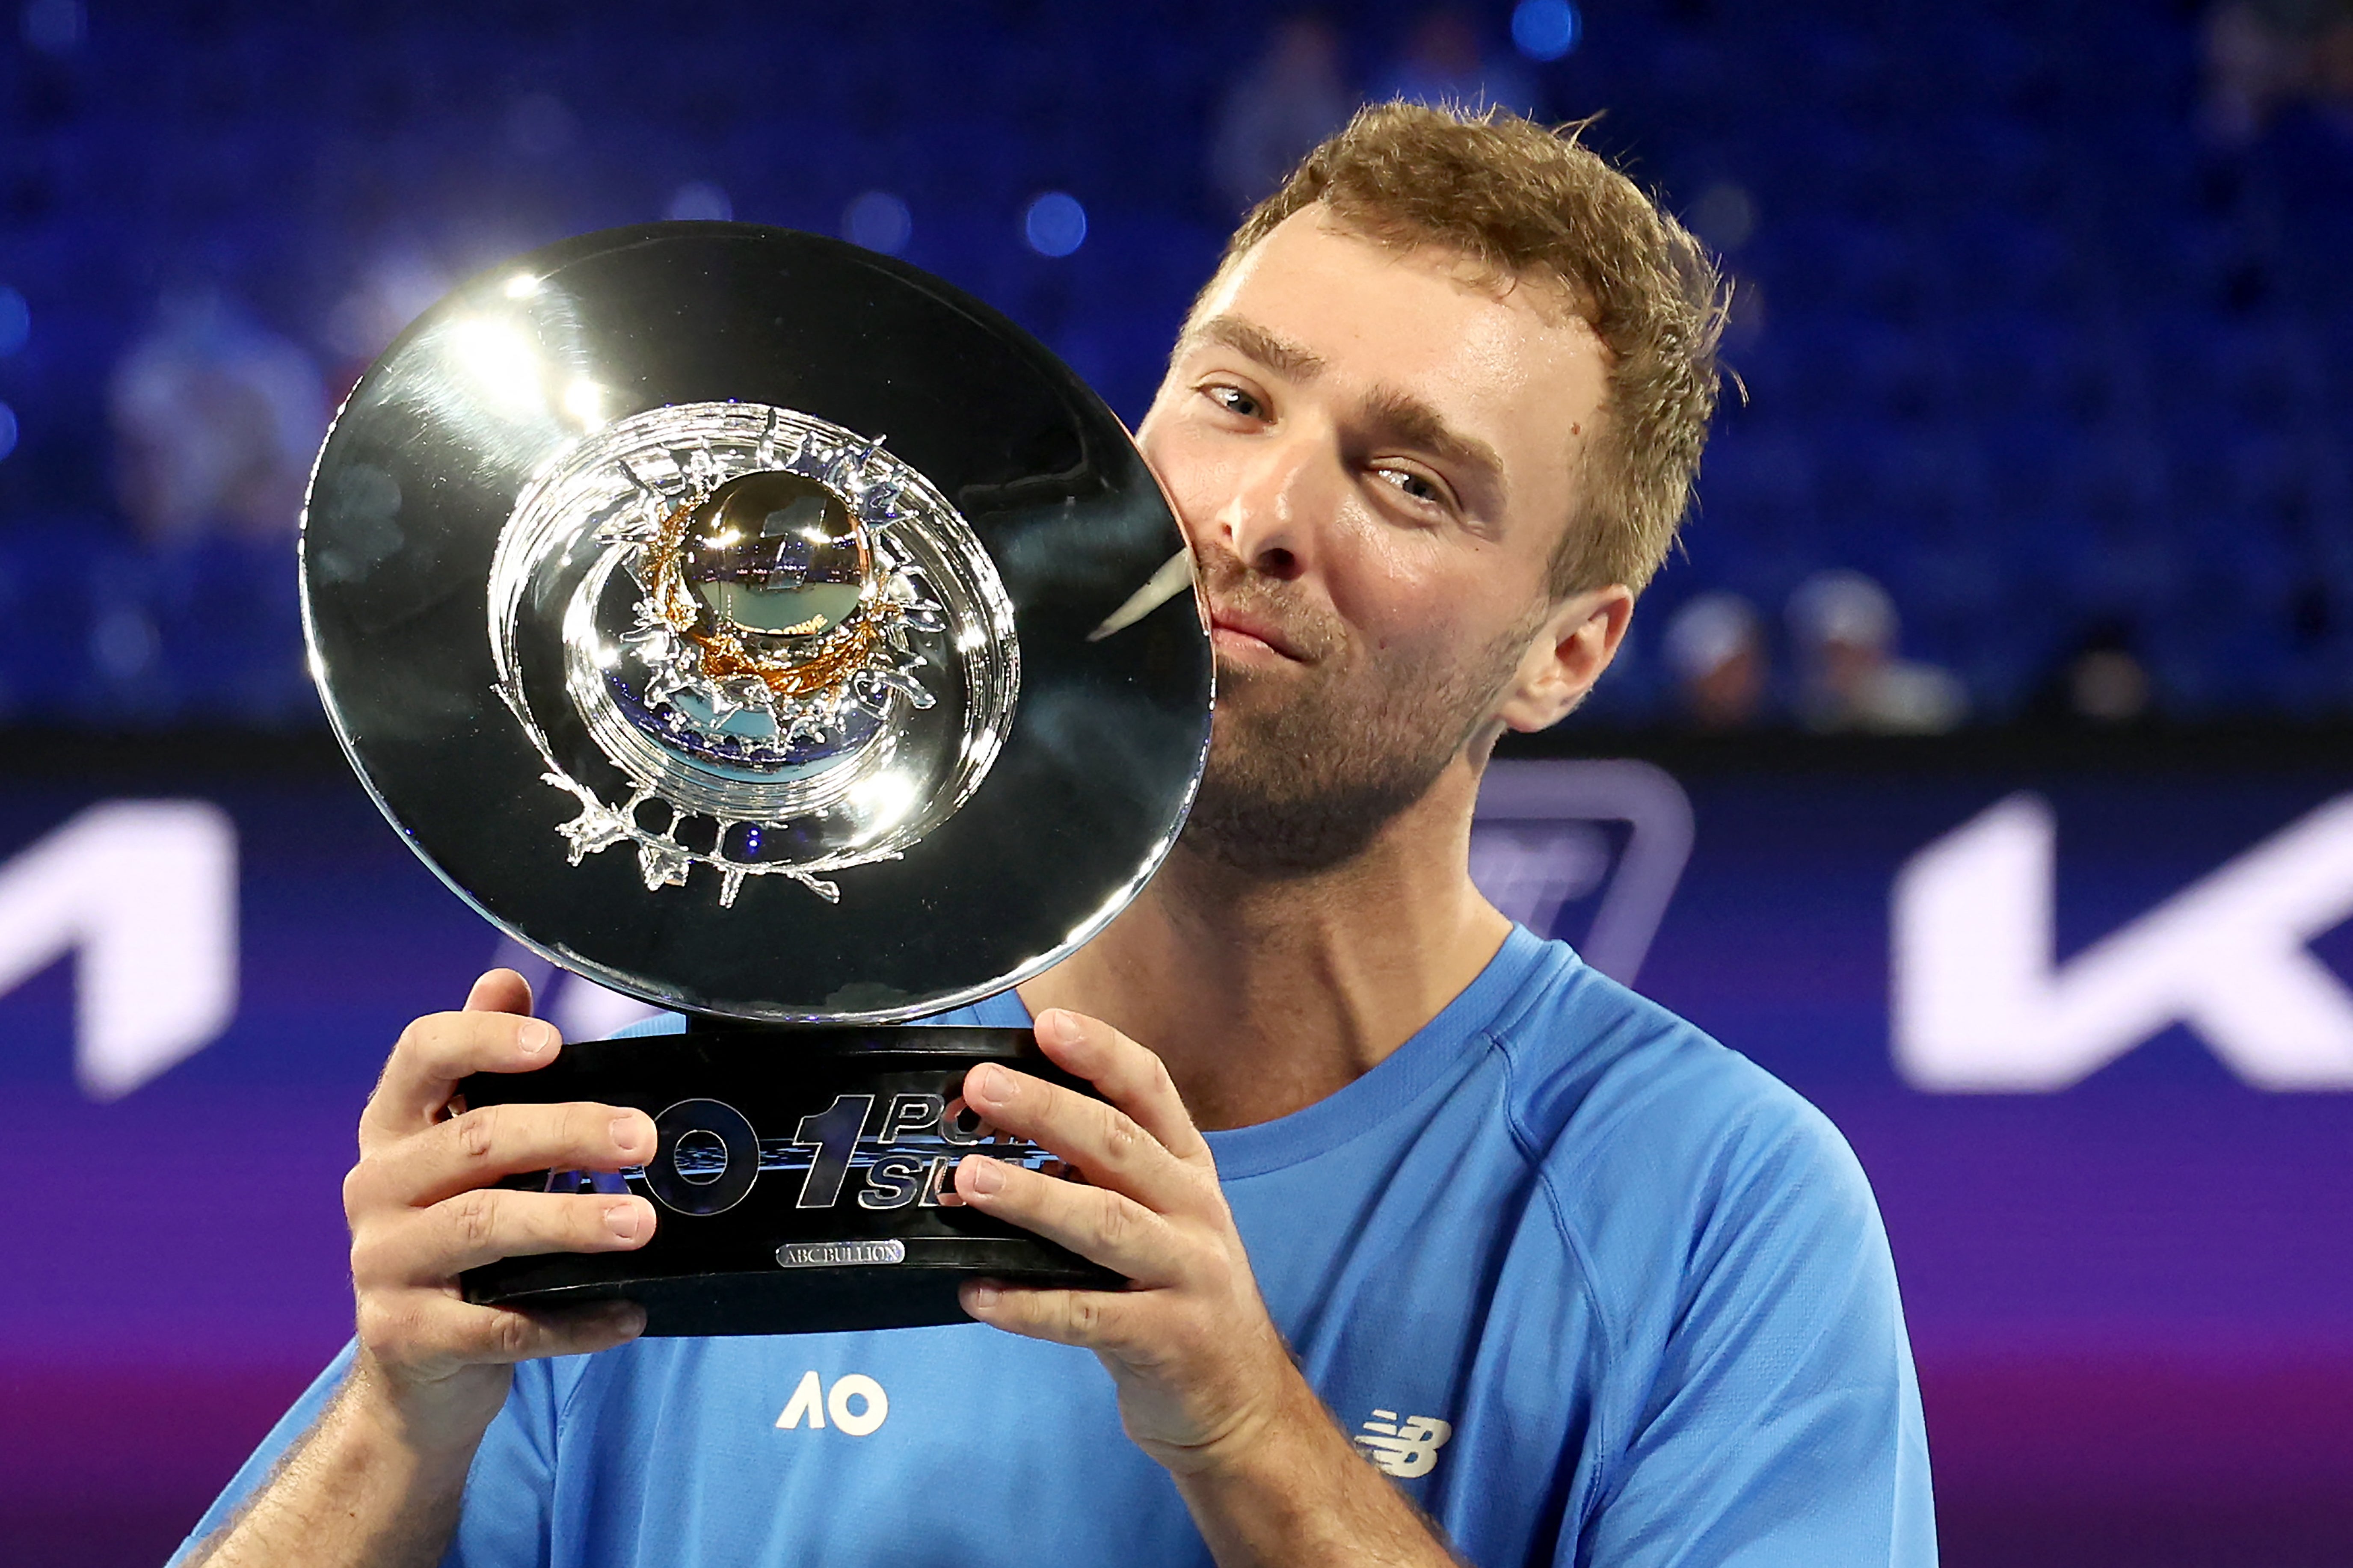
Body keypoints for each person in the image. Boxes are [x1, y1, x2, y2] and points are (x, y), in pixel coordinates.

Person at [176, 104, 1934, 1568]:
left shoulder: (1714, 1206)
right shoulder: (704, 1115)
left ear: (1564, 652)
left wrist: (1249, 1429)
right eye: (1235, 399)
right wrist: (398, 1424)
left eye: (1411, 480)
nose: (1255, 517)